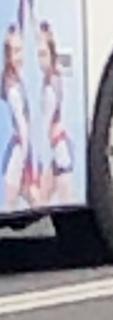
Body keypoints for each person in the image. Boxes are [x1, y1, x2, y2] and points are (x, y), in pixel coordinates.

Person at [37, 20, 74, 206]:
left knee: (59, 199)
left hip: (58, 150)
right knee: (43, 199)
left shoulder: (52, 82)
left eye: (43, 54)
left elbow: (48, 118)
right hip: (56, 151)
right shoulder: (50, 79)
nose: (40, 60)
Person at [1, 23, 37, 210]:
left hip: (21, 150)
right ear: (8, 56)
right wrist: (24, 157)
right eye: (14, 52)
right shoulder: (13, 87)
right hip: (18, 152)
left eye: (20, 50)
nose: (19, 57)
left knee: (29, 199)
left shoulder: (17, 82)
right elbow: (22, 126)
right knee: (12, 201)